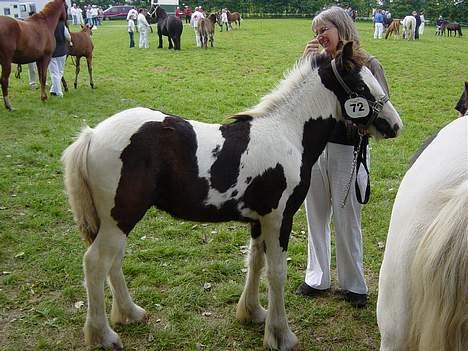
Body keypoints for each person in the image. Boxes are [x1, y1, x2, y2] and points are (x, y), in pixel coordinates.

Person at [296, 6, 390, 309]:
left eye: (324, 29)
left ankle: (353, 283)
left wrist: (360, 124)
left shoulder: (368, 64)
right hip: (314, 151)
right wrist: (304, 64)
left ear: (341, 28)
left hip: (348, 150)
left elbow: (381, 108)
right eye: (316, 32)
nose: (319, 36)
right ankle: (316, 276)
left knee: (347, 218)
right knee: (316, 215)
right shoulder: (316, 62)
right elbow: (298, 103)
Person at [48, 14, 72, 97]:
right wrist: (70, 41)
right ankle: (55, 91)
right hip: (62, 51)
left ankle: (57, 92)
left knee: (54, 73)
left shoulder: (48, 25)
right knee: (60, 72)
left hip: (51, 52)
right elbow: (68, 36)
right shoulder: (62, 25)